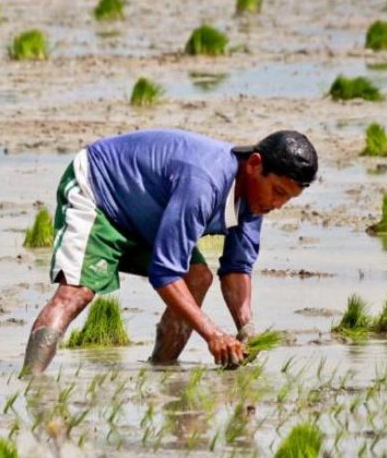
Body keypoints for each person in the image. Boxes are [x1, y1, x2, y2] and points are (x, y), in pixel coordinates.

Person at [21, 128, 317, 376]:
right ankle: (30, 386)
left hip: (148, 212)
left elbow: (237, 268)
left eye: (288, 199)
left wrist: (246, 327)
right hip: (100, 192)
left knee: (198, 277)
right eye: (277, 191)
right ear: (254, 164)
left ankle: (162, 373)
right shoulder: (204, 183)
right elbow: (165, 273)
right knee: (76, 293)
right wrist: (213, 334)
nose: (278, 204)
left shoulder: (254, 201)